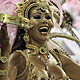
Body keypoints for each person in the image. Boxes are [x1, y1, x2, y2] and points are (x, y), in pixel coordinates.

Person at [0, 0, 80, 80]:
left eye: (48, 17)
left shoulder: (57, 57)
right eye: (37, 17)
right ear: (26, 25)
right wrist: (5, 53)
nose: (44, 20)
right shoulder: (19, 58)